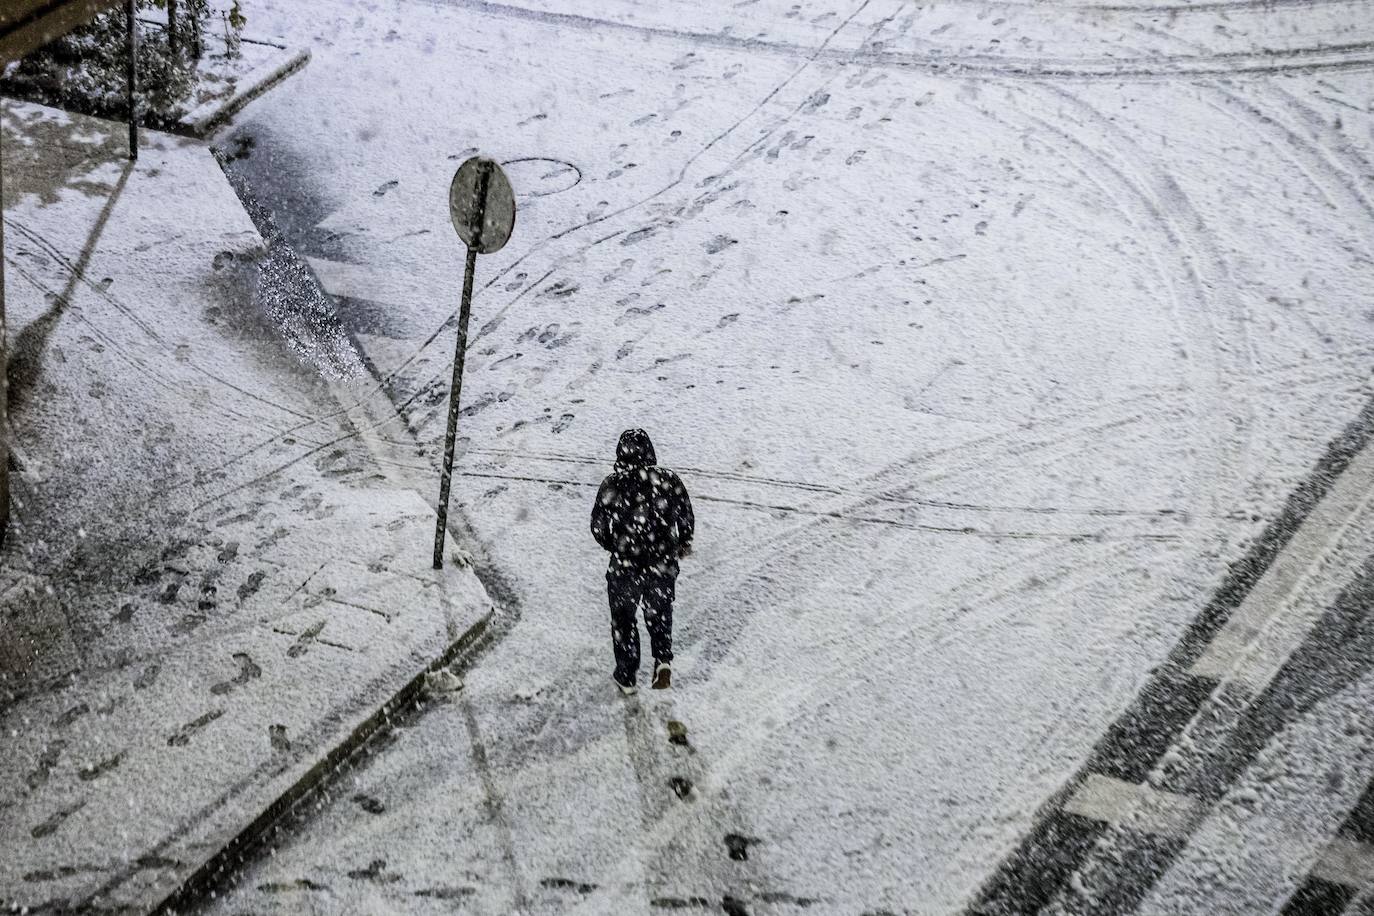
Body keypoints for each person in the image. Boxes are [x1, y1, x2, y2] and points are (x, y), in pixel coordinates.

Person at [590, 428, 695, 695]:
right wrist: (682, 542)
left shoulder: (612, 484)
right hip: (661, 562)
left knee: (624, 620)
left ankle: (626, 675)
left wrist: (615, 544)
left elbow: (598, 526)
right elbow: (685, 516)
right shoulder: (668, 480)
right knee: (659, 612)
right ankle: (662, 660)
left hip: (626, 564)